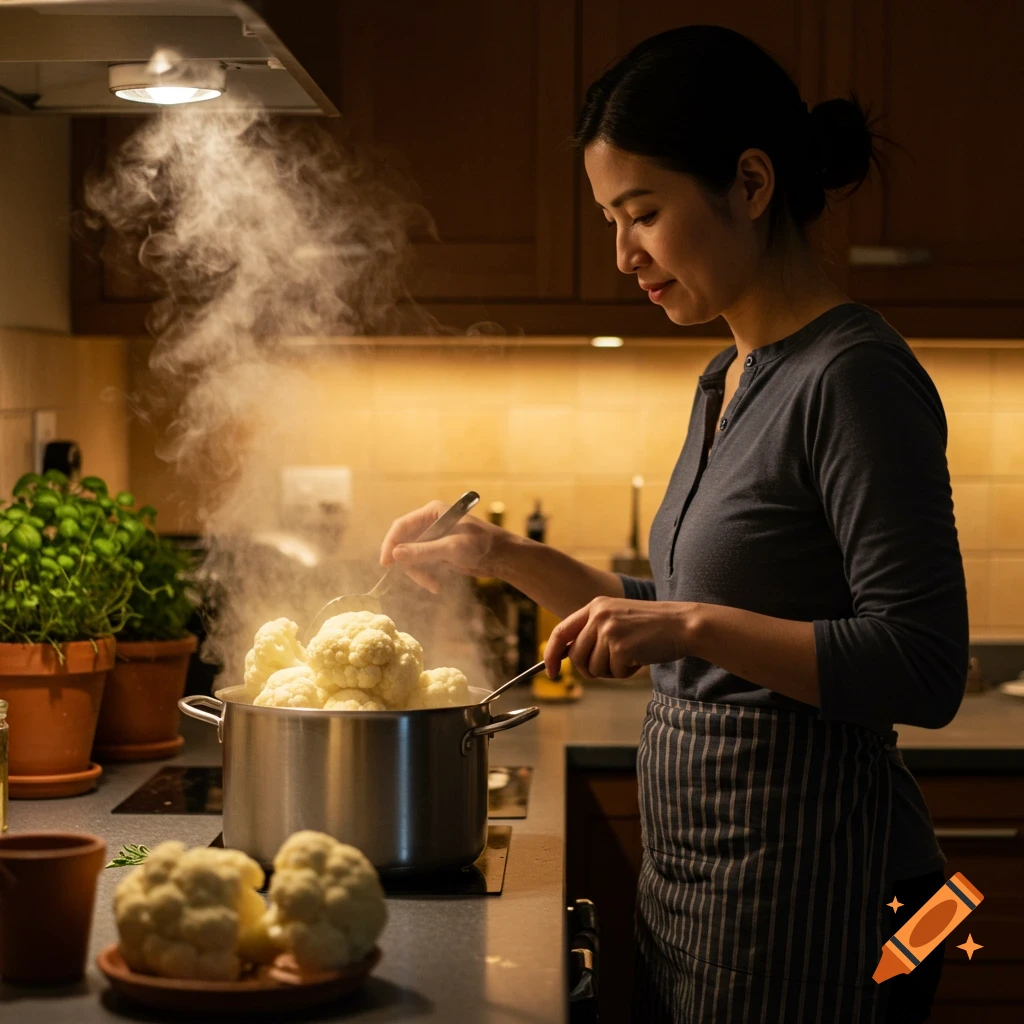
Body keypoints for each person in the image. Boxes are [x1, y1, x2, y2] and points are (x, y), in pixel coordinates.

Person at [379, 24, 967, 1024]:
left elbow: (922, 664)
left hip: (825, 900)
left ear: (748, 182)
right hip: (707, 894)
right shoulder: (724, 377)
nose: (622, 254)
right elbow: (671, 610)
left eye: (641, 213)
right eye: (610, 218)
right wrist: (498, 554)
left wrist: (684, 629)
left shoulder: (854, 378)